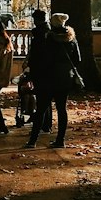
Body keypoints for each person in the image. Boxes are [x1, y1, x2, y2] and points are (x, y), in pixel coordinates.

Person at [26, 11, 81, 149]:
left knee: (41, 110)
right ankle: (60, 140)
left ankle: (33, 141)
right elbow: (77, 59)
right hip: (64, 78)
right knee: (62, 109)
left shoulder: (48, 39)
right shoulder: (72, 39)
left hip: (48, 78)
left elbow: (41, 59)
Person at [26, 8, 52, 133]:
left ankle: (43, 124)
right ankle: (46, 123)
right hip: (46, 69)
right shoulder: (47, 32)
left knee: (42, 99)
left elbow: (36, 53)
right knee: (45, 98)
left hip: (40, 69)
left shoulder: (40, 34)